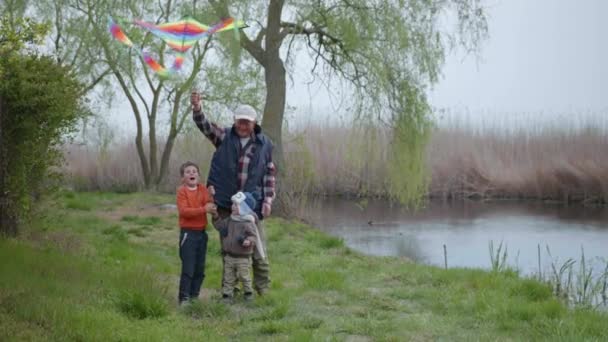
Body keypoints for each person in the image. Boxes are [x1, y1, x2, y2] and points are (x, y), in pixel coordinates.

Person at [191, 91, 275, 296]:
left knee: (258, 250)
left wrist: (268, 200)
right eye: (239, 121)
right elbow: (206, 127)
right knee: (230, 250)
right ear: (235, 121)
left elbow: (269, 173)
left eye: (247, 122)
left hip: (251, 205)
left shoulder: (266, 145)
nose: (242, 126)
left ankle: (262, 289)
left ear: (254, 123)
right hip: (226, 204)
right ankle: (232, 290)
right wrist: (197, 109)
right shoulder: (224, 137)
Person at [175, 161, 217, 305]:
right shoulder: (182, 191)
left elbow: (210, 204)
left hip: (201, 234)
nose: (192, 173)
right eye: (188, 172)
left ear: (198, 175)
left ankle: (194, 297)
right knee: (189, 268)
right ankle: (184, 298)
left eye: (194, 171)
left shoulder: (202, 189)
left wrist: (212, 197)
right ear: (183, 177)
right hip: (188, 234)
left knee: (200, 269)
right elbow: (184, 211)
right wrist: (203, 209)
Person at [213, 192, 265, 303]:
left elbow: (253, 236)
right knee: (228, 277)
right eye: (233, 204)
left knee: (244, 276)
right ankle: (227, 296)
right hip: (229, 256)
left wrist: (248, 241)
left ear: (244, 208)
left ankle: (248, 294)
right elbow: (221, 227)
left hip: (243, 257)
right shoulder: (230, 220)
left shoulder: (248, 222)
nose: (233, 207)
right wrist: (216, 216)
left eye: (236, 205)